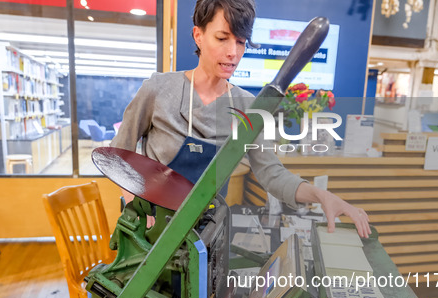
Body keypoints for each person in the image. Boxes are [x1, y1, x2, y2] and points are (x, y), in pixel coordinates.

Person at [110, 0, 371, 238]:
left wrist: (320, 195)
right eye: (222, 38)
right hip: (149, 231)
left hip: (204, 233)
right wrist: (139, 213)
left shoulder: (247, 106)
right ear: (198, 35)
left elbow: (272, 174)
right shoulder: (158, 90)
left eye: (241, 42)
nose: (233, 52)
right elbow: (118, 154)